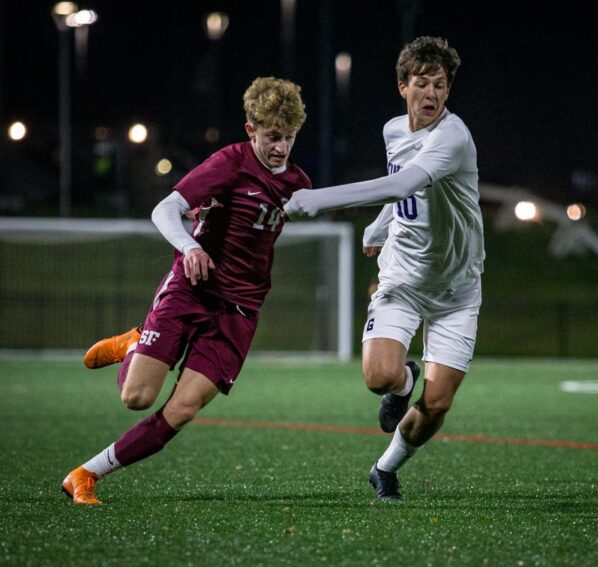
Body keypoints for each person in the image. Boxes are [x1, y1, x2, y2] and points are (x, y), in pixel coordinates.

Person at [61, 77, 311, 504]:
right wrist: (191, 246)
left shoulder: (298, 182)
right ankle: (135, 343)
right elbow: (166, 209)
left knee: (182, 410)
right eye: (272, 137)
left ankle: (85, 475)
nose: (281, 148)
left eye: (289, 138)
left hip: (240, 311)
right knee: (136, 397)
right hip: (192, 289)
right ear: (251, 130)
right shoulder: (228, 163)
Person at [284, 36, 484, 501]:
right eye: (421, 83)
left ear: (448, 91)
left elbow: (403, 183)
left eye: (439, 84)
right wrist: (380, 226)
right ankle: (406, 378)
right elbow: (408, 196)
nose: (430, 94)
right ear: (402, 86)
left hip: (457, 289)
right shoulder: (394, 130)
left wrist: (320, 199)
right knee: (379, 378)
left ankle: (385, 468)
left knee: (436, 405)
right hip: (403, 278)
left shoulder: (452, 138)